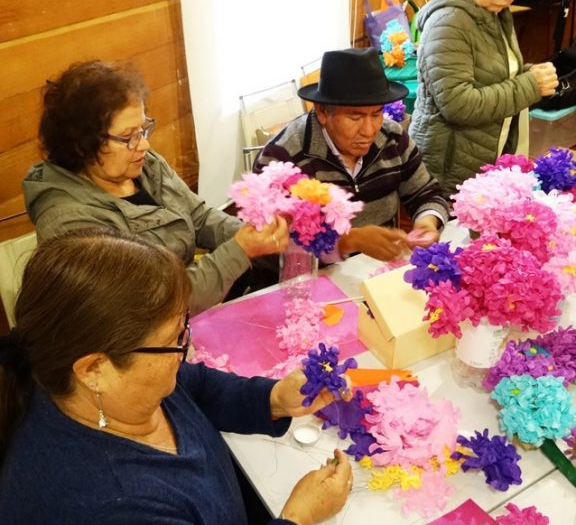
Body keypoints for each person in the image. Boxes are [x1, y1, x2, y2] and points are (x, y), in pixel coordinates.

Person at [0, 228, 352, 525]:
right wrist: (298, 516)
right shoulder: (110, 505)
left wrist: (274, 398)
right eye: (175, 339)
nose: (185, 348)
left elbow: (193, 385)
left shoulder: (116, 381)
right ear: (94, 369)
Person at [22, 60, 289, 316]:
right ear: (82, 144)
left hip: (189, 307)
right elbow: (151, 305)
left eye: (143, 130)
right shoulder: (69, 224)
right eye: (128, 137)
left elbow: (199, 217)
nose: (144, 145)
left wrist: (251, 234)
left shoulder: (143, 164)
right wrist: (240, 250)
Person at [253, 47, 450, 262]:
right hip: (314, 279)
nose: (369, 130)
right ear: (322, 112)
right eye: (355, 118)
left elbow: (426, 192)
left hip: (380, 268)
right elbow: (270, 247)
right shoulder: (282, 158)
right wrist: (349, 241)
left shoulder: (392, 136)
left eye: (376, 114)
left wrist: (427, 221)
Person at [409, 0, 559, 200]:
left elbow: (490, 74)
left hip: (481, 156)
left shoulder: (493, 11)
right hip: (448, 168)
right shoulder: (449, 22)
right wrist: (529, 85)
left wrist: (526, 72)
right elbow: (458, 104)